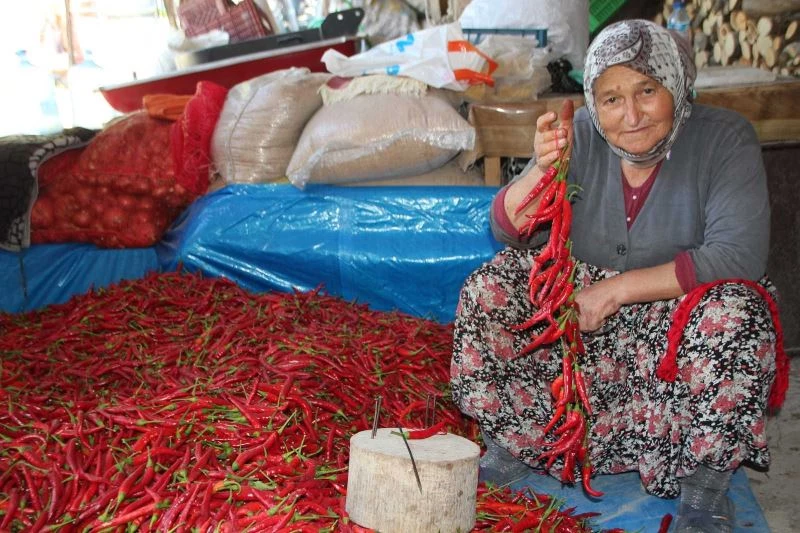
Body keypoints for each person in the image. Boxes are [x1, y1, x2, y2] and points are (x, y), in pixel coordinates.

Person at [450, 19, 784, 533]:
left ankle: (704, 485)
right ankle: (518, 442)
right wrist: (542, 169)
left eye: (647, 91)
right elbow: (507, 227)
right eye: (611, 99)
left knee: (736, 314)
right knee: (491, 286)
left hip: (675, 326)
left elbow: (738, 256)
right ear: (593, 100)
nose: (630, 115)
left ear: (676, 84)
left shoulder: (724, 138)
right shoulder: (581, 133)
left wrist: (617, 290)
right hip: (586, 332)